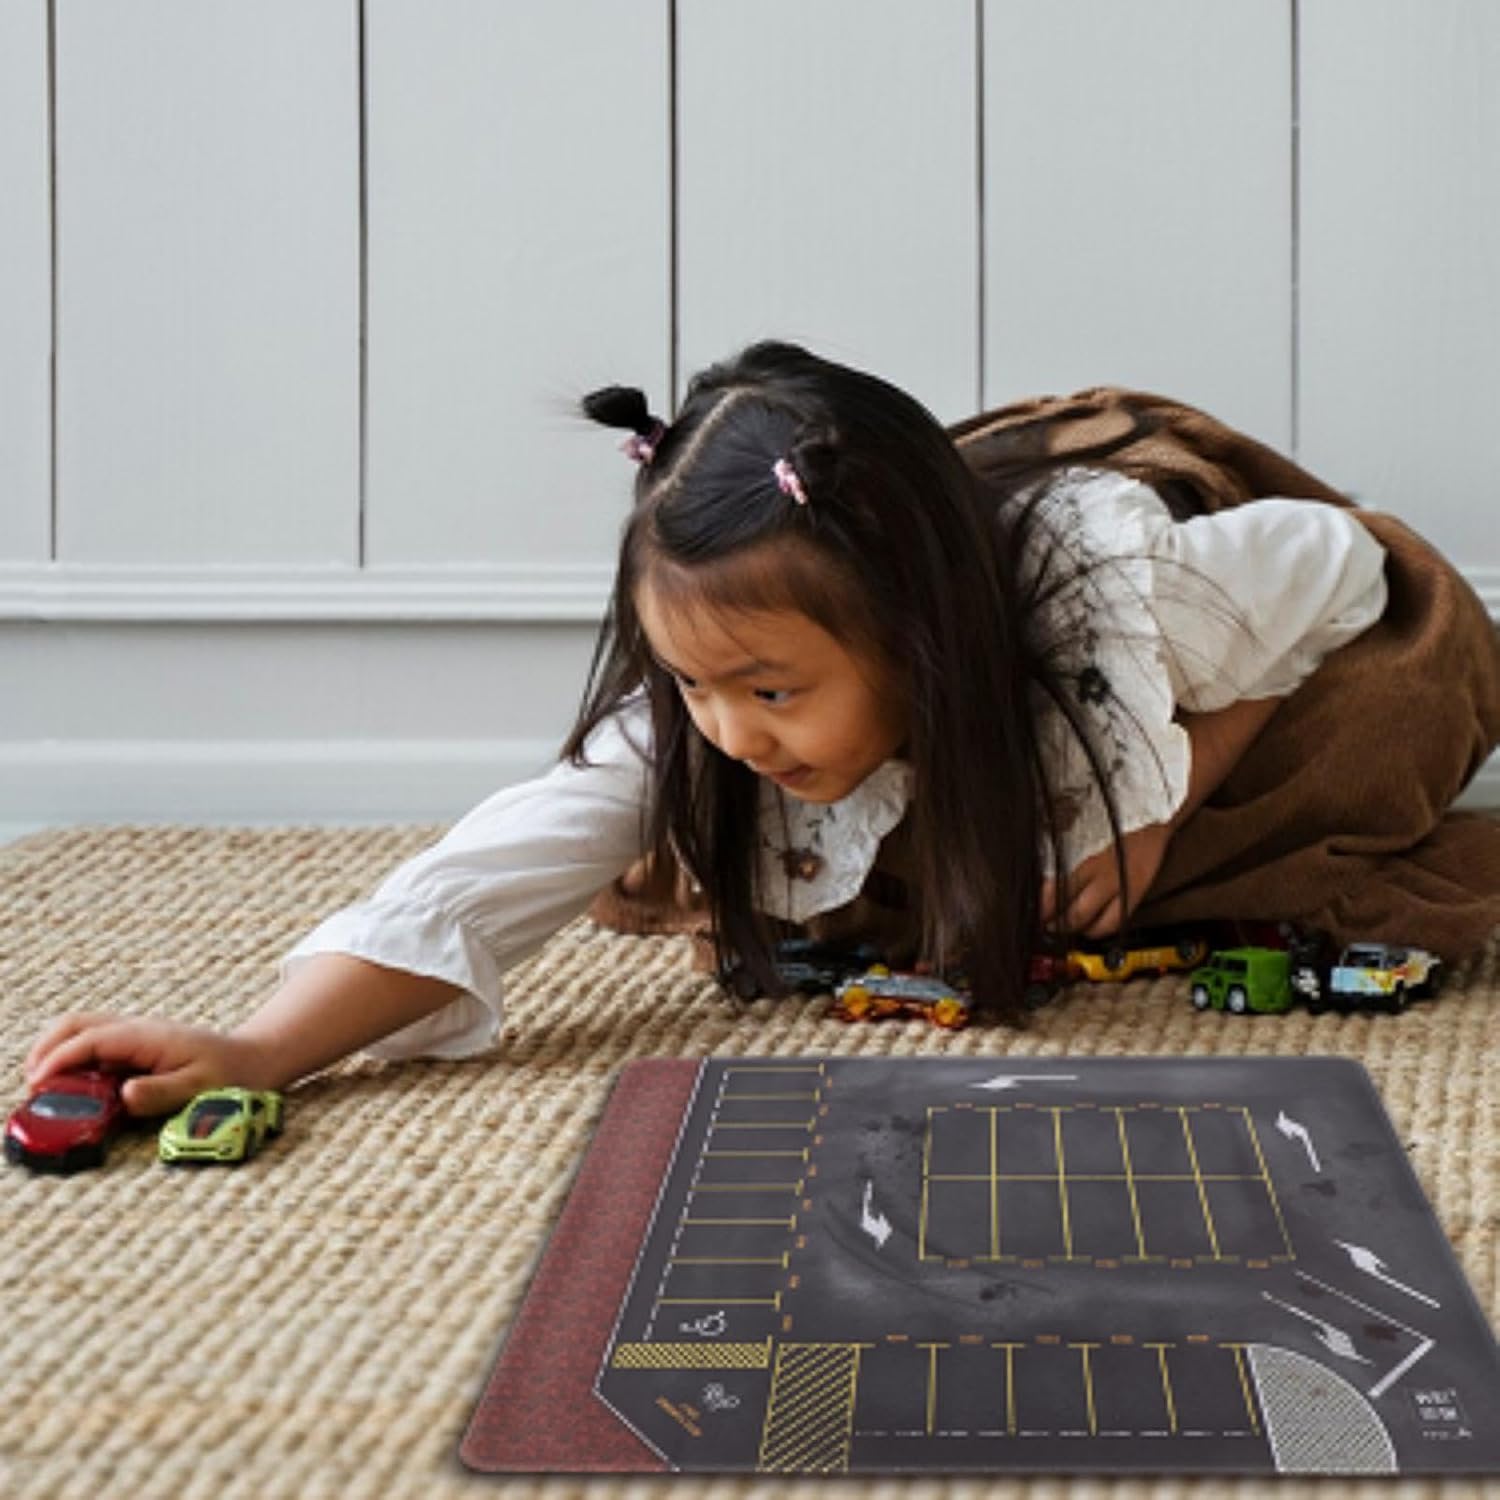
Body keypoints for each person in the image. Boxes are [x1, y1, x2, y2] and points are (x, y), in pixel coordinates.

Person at [24, 342, 1500, 1117]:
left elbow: (1350, 569)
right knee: (697, 836)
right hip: (958, 679)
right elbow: (486, 874)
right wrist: (259, 1046)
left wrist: (1178, 787)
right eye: (692, 685)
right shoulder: (706, 722)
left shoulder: (1119, 600)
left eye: (772, 693)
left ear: (919, 641)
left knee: (1338, 756)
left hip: (1213, 635)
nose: (729, 732)